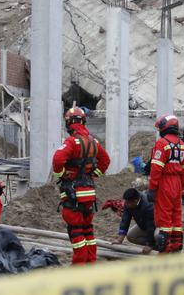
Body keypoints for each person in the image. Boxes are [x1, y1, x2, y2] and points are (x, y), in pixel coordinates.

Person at [52, 107, 110, 265]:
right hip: (89, 193)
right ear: (83, 122)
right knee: (87, 229)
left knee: (76, 231)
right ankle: (90, 262)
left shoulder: (71, 141)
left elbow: (57, 160)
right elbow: (106, 160)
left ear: (69, 123)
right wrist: (94, 175)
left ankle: (79, 265)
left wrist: (62, 174)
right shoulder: (94, 141)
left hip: (73, 193)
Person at [149, 114, 184, 254]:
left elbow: (156, 169)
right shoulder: (183, 146)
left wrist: (152, 188)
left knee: (164, 217)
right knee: (176, 215)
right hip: (177, 183)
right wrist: (183, 188)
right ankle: (176, 246)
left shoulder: (162, 144)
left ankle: (165, 250)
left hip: (165, 182)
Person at [112, 188, 155, 254]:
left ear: (135, 201)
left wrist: (149, 244)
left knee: (159, 236)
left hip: (157, 225)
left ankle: (161, 247)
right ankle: (156, 246)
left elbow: (151, 226)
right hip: (144, 225)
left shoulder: (148, 205)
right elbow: (125, 219)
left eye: (128, 203)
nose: (126, 204)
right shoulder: (128, 203)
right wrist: (119, 239)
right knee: (131, 236)